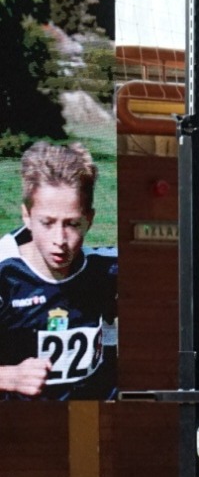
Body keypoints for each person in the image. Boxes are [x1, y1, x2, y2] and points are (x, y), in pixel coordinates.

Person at [0, 141, 118, 400]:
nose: (60, 240)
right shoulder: (5, 275)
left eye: (72, 224)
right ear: (26, 216)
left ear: (90, 219)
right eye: (47, 223)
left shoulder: (107, 271)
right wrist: (9, 376)